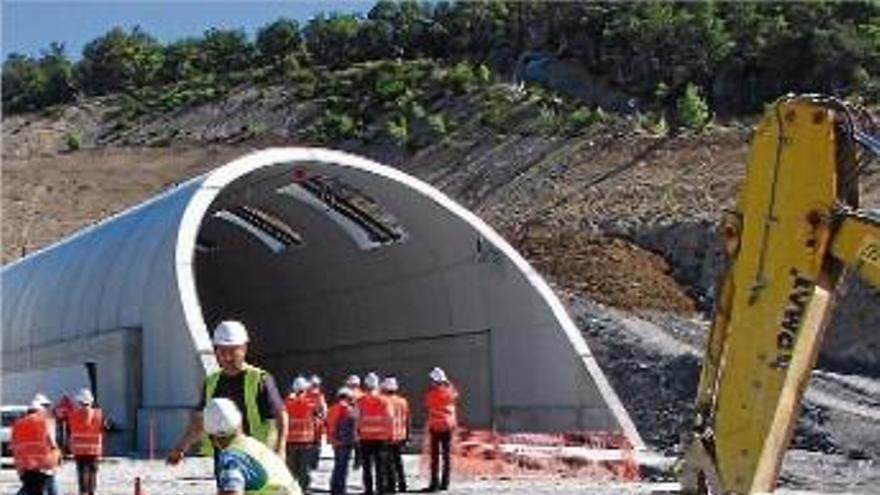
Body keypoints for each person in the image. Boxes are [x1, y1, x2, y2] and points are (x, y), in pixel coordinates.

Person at [167, 320, 288, 466]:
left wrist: (280, 449)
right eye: (222, 351)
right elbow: (199, 422)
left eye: (232, 351)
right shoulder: (211, 382)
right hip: (225, 460)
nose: (227, 357)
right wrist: (181, 448)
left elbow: (281, 415)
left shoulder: (259, 379)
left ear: (244, 349)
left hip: (257, 459)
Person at [204, 397, 300, 495]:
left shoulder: (231, 458)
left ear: (213, 438)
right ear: (240, 424)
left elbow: (232, 492)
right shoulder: (254, 445)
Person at [12, 394, 62, 495]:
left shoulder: (17, 424)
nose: (47, 410)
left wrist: (19, 468)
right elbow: (52, 443)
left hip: (26, 465)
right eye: (46, 407)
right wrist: (57, 456)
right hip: (44, 465)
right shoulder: (45, 422)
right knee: (42, 487)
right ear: (40, 409)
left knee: (31, 488)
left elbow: (15, 447)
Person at [356, 372, 394, 495]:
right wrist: (390, 434)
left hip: (365, 438)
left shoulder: (360, 400)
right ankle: (380, 490)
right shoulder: (384, 400)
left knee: (367, 466)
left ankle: (368, 490)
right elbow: (390, 418)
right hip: (381, 438)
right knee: (380, 466)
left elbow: (357, 418)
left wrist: (357, 434)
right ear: (377, 385)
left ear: (366, 385)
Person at [423, 367, 459, 492]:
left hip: (435, 427)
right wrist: (447, 383)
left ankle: (434, 483)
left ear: (434, 381)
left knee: (435, 458)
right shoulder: (450, 392)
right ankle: (445, 483)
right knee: (446, 457)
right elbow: (455, 394)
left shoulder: (431, 394)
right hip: (448, 426)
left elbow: (427, 403)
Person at [285, 376, 318, 495]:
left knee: (291, 470)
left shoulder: (287, 403)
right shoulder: (311, 403)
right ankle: (303, 490)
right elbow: (319, 418)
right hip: (306, 442)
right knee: (304, 470)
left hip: (290, 442)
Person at [67, 388, 103, 495]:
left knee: (82, 471)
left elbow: (70, 429)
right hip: (94, 449)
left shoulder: (73, 415)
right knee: (93, 471)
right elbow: (103, 427)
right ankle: (92, 491)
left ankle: (83, 491)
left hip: (79, 449)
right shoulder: (98, 414)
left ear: (79, 402)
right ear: (91, 401)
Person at [326, 387, 357, 495]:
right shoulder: (347, 408)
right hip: (344, 441)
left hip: (335, 440)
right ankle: (340, 490)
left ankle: (334, 488)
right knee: (343, 467)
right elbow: (354, 422)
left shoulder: (332, 408)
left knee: (338, 465)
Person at [382, 376, 409, 493]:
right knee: (398, 461)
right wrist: (407, 436)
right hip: (400, 434)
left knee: (389, 463)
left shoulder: (383, 401)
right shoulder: (403, 401)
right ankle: (402, 484)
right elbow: (407, 419)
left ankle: (391, 485)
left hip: (388, 435)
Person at [304, 375, 327, 471]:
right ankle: (313, 463)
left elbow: (324, 410)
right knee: (315, 445)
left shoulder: (313, 395)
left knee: (313, 444)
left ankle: (311, 463)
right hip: (314, 424)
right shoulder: (318, 395)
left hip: (313, 425)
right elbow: (324, 410)